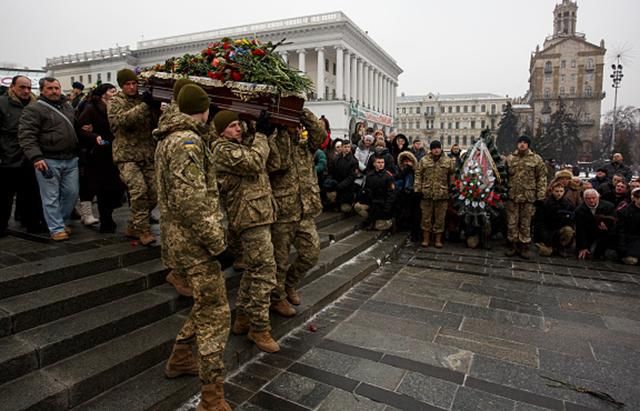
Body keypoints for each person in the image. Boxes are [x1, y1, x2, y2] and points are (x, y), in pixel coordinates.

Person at [154, 84, 232, 411]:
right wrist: (217, 244)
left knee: (206, 302)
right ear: (203, 110)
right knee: (216, 312)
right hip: (196, 242)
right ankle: (212, 398)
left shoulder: (168, 138)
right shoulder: (187, 142)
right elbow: (192, 201)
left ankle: (181, 356)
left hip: (180, 240)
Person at [210, 110, 279, 353]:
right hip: (248, 217)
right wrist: (260, 134)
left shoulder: (244, 145)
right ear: (220, 132)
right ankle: (259, 328)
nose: (237, 129)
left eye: (238, 124)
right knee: (265, 271)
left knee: (254, 269)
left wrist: (265, 134)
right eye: (231, 126)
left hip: (259, 214)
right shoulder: (221, 149)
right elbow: (254, 162)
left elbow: (274, 162)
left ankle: (243, 316)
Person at [267, 109, 326, 316]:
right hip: (283, 212)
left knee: (311, 253)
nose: (295, 128)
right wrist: (281, 129)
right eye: (290, 124)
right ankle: (277, 298)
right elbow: (275, 163)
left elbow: (320, 134)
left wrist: (300, 111)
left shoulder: (305, 147)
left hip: (305, 210)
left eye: (295, 124)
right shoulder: (274, 142)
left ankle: (289, 284)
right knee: (279, 261)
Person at [18, 77, 79, 241]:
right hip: (48, 159)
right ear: (42, 90)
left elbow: (75, 127)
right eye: (50, 88)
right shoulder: (34, 109)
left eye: (56, 88)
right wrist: (36, 157)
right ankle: (56, 228)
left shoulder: (67, 106)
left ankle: (62, 221)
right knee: (50, 196)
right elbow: (27, 136)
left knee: (71, 194)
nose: (54, 91)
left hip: (70, 158)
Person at [108, 68, 160, 246]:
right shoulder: (115, 101)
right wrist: (144, 106)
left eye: (134, 83)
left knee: (154, 193)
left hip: (146, 154)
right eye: (127, 84)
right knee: (139, 192)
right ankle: (143, 230)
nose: (132, 87)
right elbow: (120, 122)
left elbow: (155, 123)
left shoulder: (142, 99)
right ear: (121, 86)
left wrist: (155, 107)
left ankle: (132, 225)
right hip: (127, 156)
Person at [76, 83, 126, 233]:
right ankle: (106, 219)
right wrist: (95, 136)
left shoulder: (118, 106)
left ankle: (108, 214)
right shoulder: (92, 108)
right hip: (100, 153)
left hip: (116, 151)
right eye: (112, 91)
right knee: (103, 189)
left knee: (117, 188)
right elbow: (81, 128)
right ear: (103, 94)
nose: (115, 93)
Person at [1, 75, 46, 236]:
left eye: (28, 87)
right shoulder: (3, 104)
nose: (26, 91)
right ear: (12, 87)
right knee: (5, 195)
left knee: (32, 193)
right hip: (8, 156)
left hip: (30, 156)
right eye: (22, 87)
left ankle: (32, 223)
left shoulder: (36, 105)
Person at [504, 135, 547, 259]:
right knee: (512, 222)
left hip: (528, 197)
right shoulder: (510, 159)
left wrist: (540, 196)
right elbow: (505, 176)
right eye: (520, 142)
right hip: (513, 196)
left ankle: (524, 246)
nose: (522, 144)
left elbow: (542, 178)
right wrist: (504, 192)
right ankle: (513, 245)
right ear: (517, 144)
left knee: (525, 223)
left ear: (528, 145)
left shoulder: (536, 159)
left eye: (525, 142)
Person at [414, 140, 455, 248]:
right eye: (434, 148)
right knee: (426, 217)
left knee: (440, 218)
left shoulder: (448, 161)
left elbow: (452, 174)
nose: (436, 150)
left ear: (441, 148)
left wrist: (452, 187)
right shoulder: (424, 160)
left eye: (438, 148)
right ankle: (426, 238)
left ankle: (438, 239)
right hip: (426, 193)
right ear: (431, 150)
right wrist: (418, 189)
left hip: (442, 194)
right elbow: (418, 175)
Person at [353, 155, 396, 230]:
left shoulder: (388, 176)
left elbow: (391, 195)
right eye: (378, 162)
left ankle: (383, 221)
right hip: (372, 203)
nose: (381, 164)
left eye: (382, 162)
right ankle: (370, 220)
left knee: (378, 226)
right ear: (374, 164)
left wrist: (386, 209)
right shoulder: (370, 175)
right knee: (358, 206)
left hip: (383, 204)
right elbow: (366, 190)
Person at [534, 181, 575, 257]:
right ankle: (546, 245)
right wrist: (545, 238)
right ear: (552, 191)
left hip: (560, 230)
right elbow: (539, 223)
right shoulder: (544, 203)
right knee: (546, 252)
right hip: (547, 230)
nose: (559, 193)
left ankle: (561, 247)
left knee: (568, 230)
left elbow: (571, 221)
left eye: (561, 191)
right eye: (556, 191)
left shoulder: (568, 204)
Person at [576, 189, 616, 260]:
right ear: (584, 199)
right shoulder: (579, 210)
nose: (591, 201)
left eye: (593, 198)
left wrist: (608, 226)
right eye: (588, 199)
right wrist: (583, 247)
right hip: (589, 234)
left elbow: (615, 222)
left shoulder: (609, 206)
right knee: (587, 254)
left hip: (606, 235)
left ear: (598, 197)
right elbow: (580, 230)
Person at [325, 139, 358, 213]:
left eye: (348, 147)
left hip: (347, 188)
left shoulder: (353, 161)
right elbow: (331, 172)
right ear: (342, 148)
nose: (347, 149)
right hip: (336, 184)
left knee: (345, 209)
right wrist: (330, 181)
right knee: (331, 197)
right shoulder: (336, 159)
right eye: (345, 147)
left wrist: (340, 186)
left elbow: (351, 177)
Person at [394, 151, 421, 241]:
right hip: (402, 194)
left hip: (414, 194)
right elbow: (397, 178)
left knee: (414, 214)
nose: (406, 163)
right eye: (404, 161)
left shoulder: (416, 170)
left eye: (408, 161)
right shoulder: (400, 170)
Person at [616, 188, 640, 265]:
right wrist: (622, 248)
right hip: (630, 241)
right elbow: (621, 231)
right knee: (631, 260)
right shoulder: (625, 212)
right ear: (635, 199)